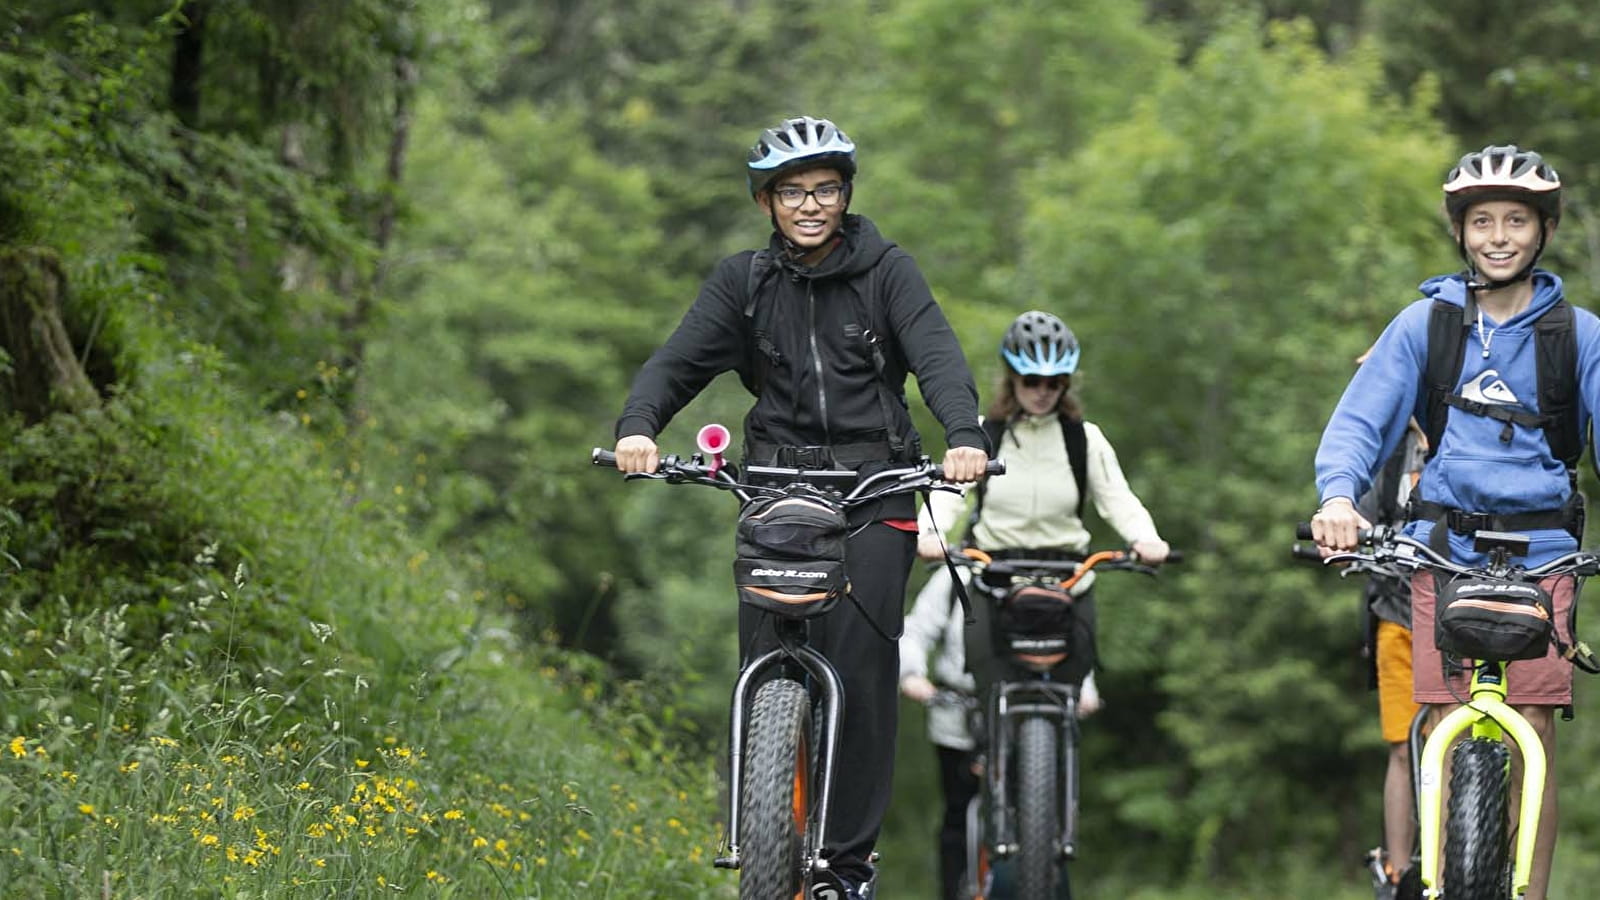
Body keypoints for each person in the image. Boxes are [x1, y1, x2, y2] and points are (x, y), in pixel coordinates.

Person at [612, 115, 989, 900]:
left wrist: (962, 435)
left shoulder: (888, 271)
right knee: (762, 661)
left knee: (860, 665)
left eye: (824, 189)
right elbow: (676, 363)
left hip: (875, 486)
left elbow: (938, 356)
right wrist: (637, 428)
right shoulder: (742, 283)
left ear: (845, 194)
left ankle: (846, 869)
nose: (810, 204)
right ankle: (761, 836)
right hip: (776, 487)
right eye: (792, 191)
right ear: (767, 202)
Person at [1311, 144, 1600, 900]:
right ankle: (1436, 882)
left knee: (1532, 729)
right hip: (1440, 547)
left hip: (1542, 554)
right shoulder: (1424, 325)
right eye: (1482, 221)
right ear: (1461, 231)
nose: (1498, 235)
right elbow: (1358, 424)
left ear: (1542, 230)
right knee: (1438, 726)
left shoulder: (1579, 335)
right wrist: (1339, 498)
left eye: (1515, 220)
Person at [912, 310, 1169, 898]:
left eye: (1054, 383)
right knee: (988, 687)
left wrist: (1145, 540)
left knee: (1070, 694)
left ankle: (1051, 799)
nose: (1042, 392)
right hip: (995, 580)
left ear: (1066, 384)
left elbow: (1119, 500)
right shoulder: (983, 433)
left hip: (1066, 582)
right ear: (1013, 380)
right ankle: (997, 785)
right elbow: (950, 493)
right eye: (1032, 382)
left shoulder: (1085, 439)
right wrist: (933, 532)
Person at [899, 564, 1100, 900]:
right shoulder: (958, 576)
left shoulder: (1051, 575)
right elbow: (915, 631)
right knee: (958, 817)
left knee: (1041, 818)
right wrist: (911, 675)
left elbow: (1074, 642)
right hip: (959, 715)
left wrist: (1086, 688)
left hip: (1032, 717)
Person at [1353, 413, 1426, 900]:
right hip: (1397, 610)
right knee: (1403, 746)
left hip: (1462, 615)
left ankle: (1460, 863)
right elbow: (1359, 508)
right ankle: (1399, 874)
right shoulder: (1393, 448)